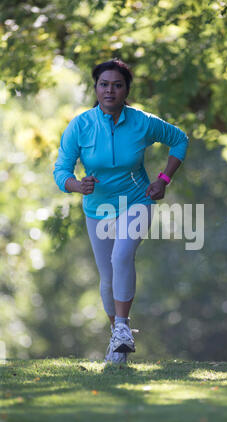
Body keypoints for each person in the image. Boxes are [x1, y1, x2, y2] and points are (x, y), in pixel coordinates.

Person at [53, 58, 189, 364]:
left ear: (126, 90)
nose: (110, 90)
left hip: (136, 202)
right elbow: (61, 170)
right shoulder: (80, 126)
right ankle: (118, 340)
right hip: (97, 208)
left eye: (117, 85)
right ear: (96, 88)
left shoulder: (142, 122)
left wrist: (164, 179)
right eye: (104, 84)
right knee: (107, 277)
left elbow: (180, 140)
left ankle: (123, 327)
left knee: (121, 256)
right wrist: (77, 185)